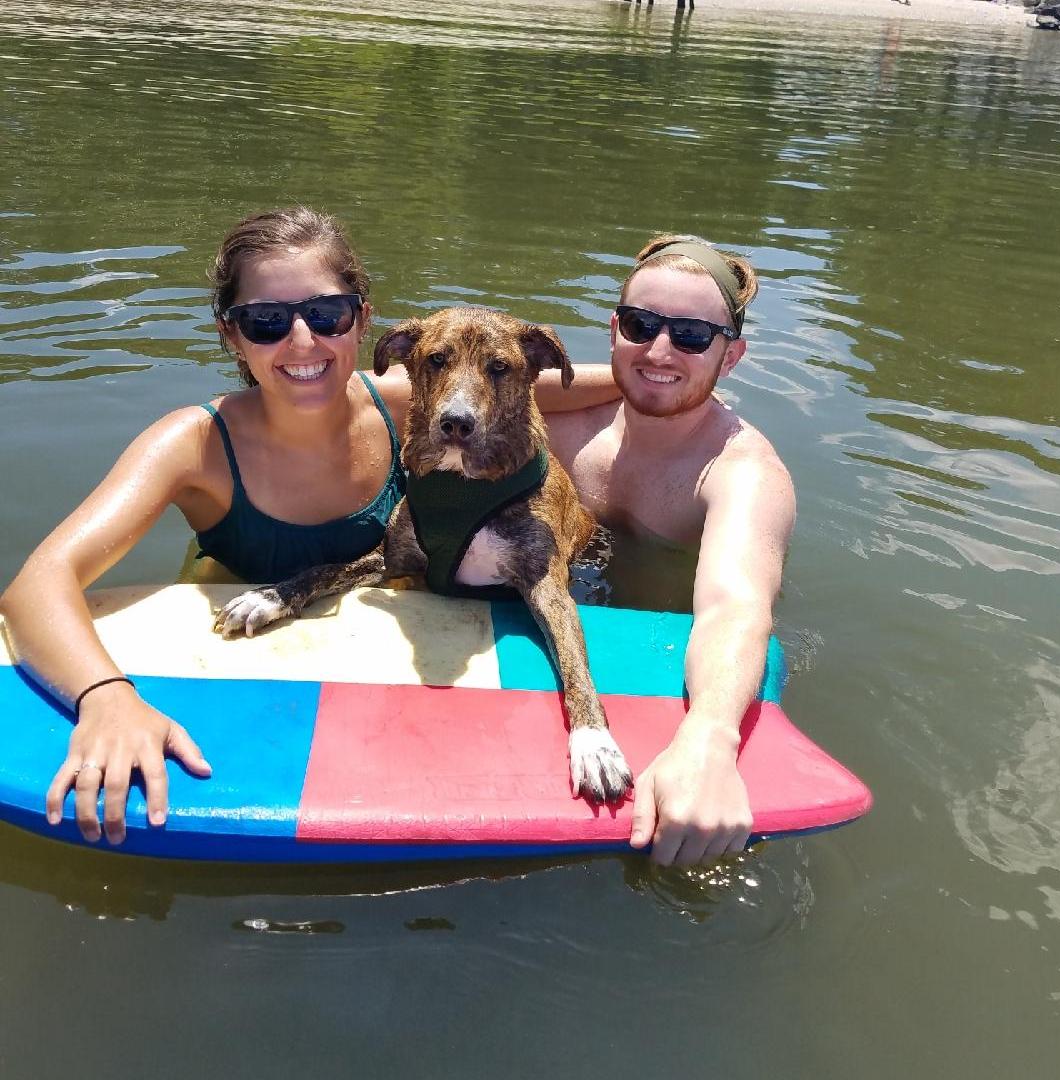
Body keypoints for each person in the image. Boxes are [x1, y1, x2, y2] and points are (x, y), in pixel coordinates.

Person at [0, 207, 621, 847]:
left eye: (325, 316)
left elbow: (538, 383)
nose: (302, 342)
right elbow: (36, 585)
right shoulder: (191, 445)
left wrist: (662, 378)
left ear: (361, 322)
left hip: (377, 659)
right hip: (234, 653)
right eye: (266, 321)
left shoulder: (408, 403)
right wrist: (105, 697)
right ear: (230, 334)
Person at [545, 235, 796, 868]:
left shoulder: (741, 472)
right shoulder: (560, 417)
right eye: (640, 325)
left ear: (731, 356)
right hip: (551, 626)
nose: (658, 350)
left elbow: (733, 607)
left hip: (660, 649)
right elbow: (392, 396)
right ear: (613, 330)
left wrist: (708, 739)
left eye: (689, 336)